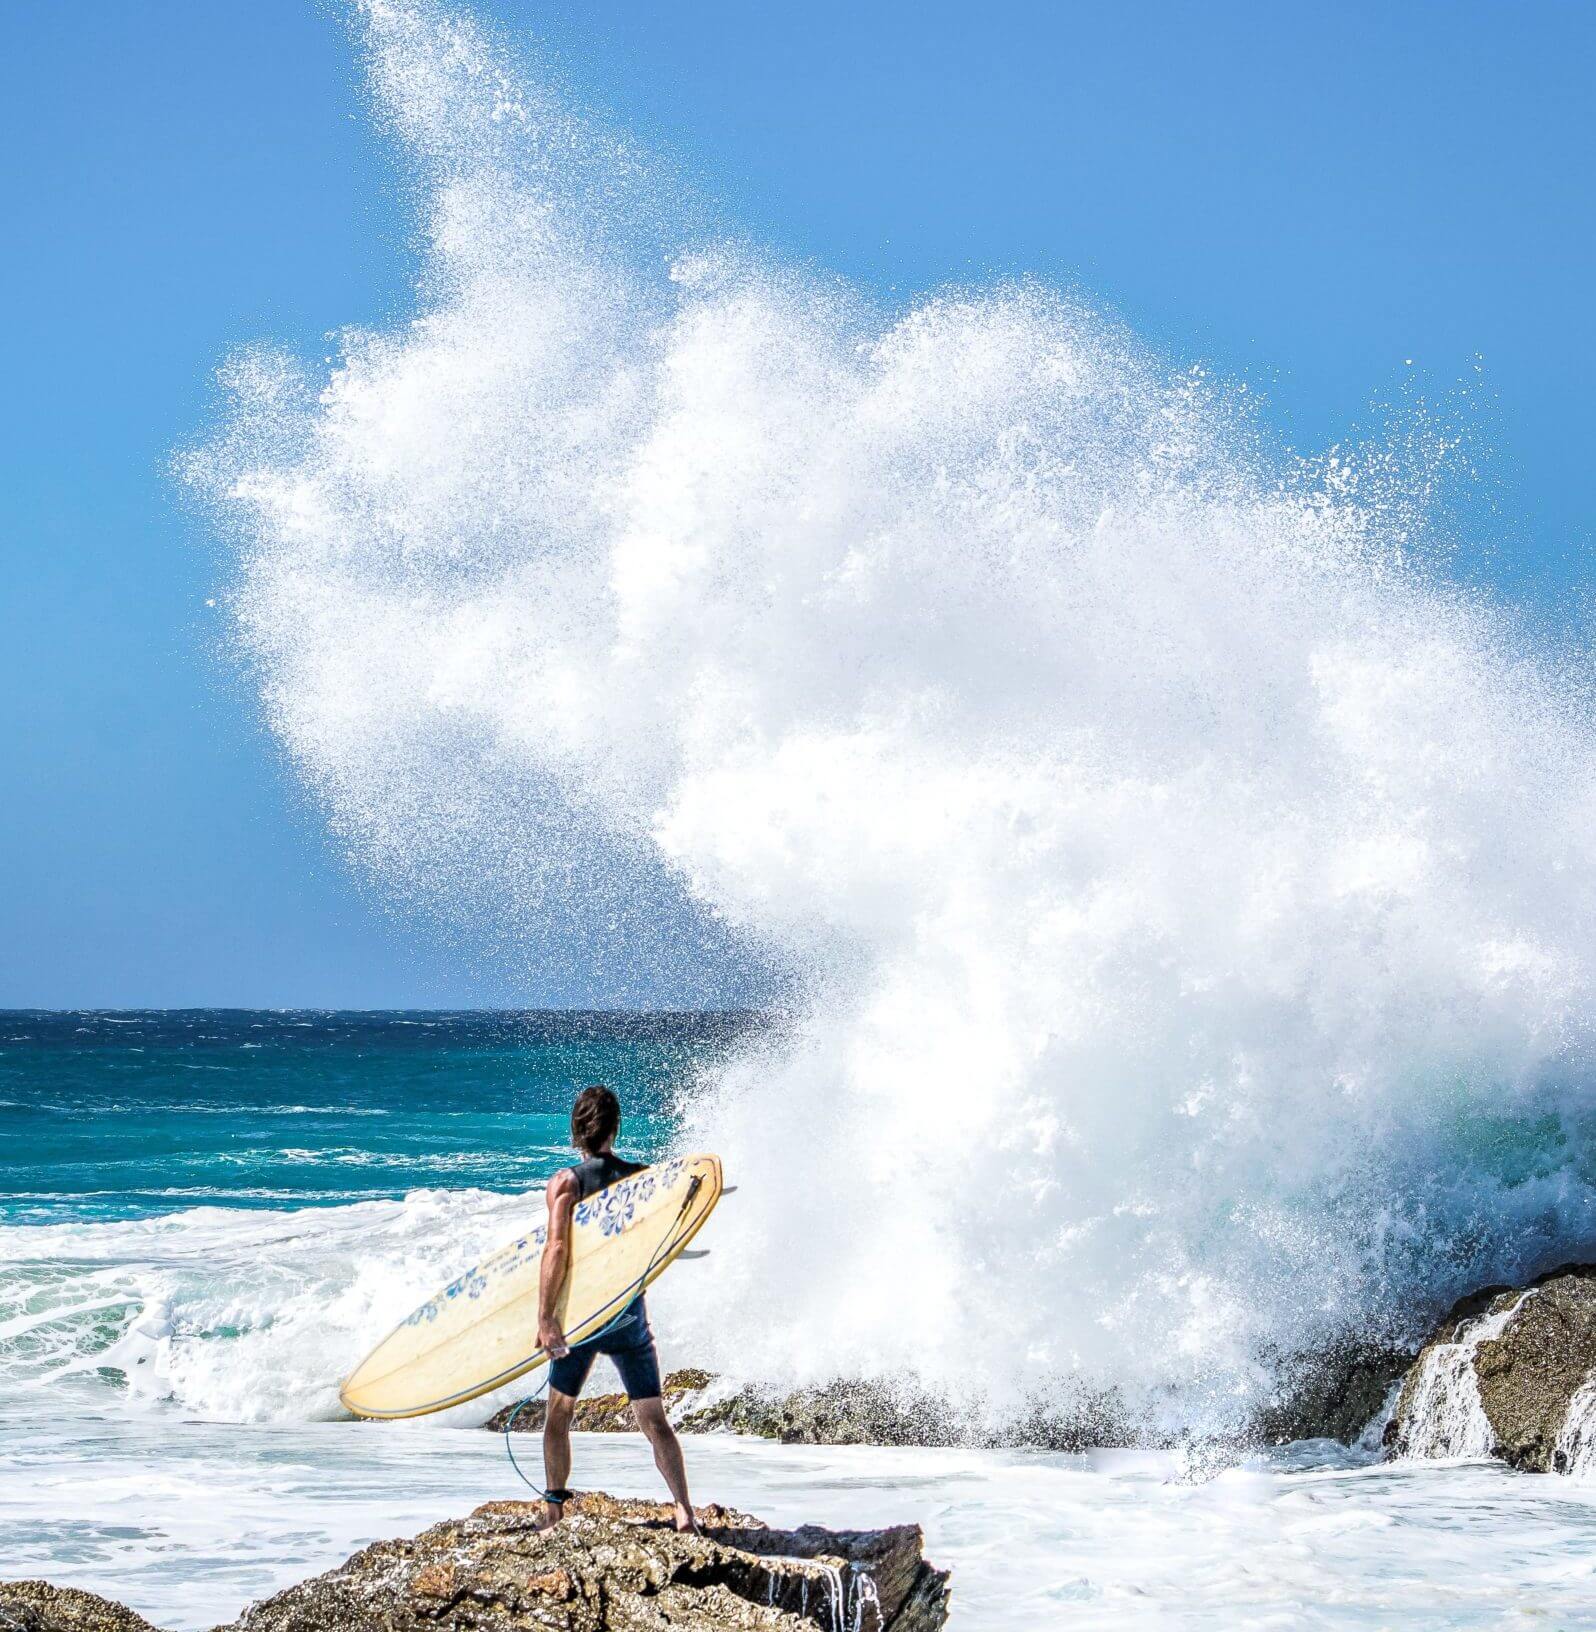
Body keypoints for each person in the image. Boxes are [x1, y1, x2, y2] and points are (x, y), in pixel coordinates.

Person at [534, 1083, 699, 1533]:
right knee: (653, 1419)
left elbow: (557, 1248)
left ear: (576, 1130)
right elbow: (673, 1229)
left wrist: (547, 1318)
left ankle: (553, 1512)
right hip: (628, 1316)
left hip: (584, 1322)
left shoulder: (565, 1183)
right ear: (615, 1128)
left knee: (559, 1415)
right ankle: (683, 1508)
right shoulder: (643, 1179)